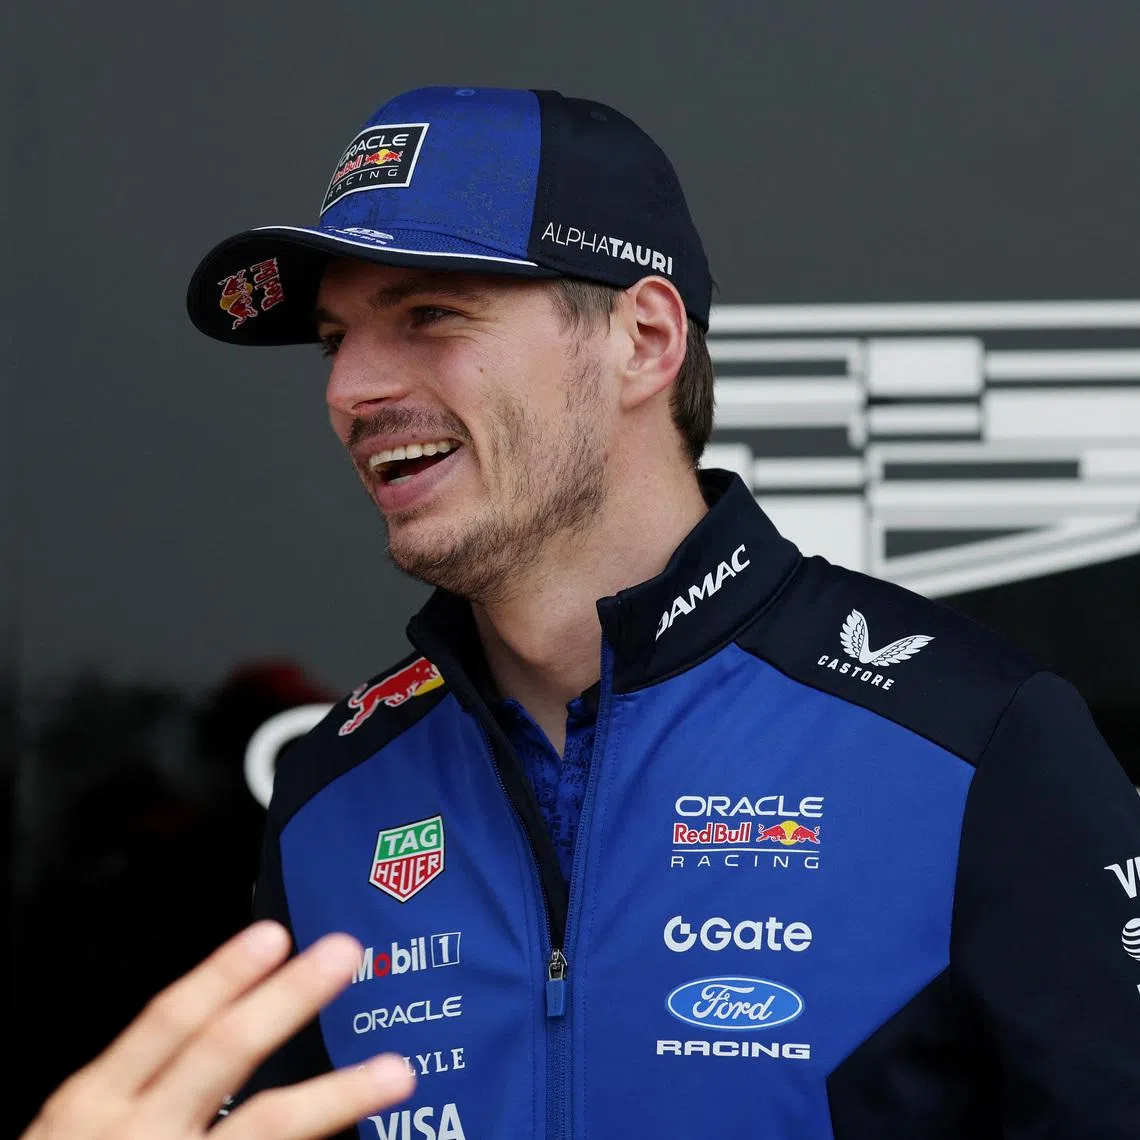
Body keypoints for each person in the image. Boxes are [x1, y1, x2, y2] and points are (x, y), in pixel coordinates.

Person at [28, 84, 1140, 1139]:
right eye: (334, 341)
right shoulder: (335, 792)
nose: (348, 390)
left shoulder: (970, 738)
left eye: (428, 315)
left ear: (643, 341)